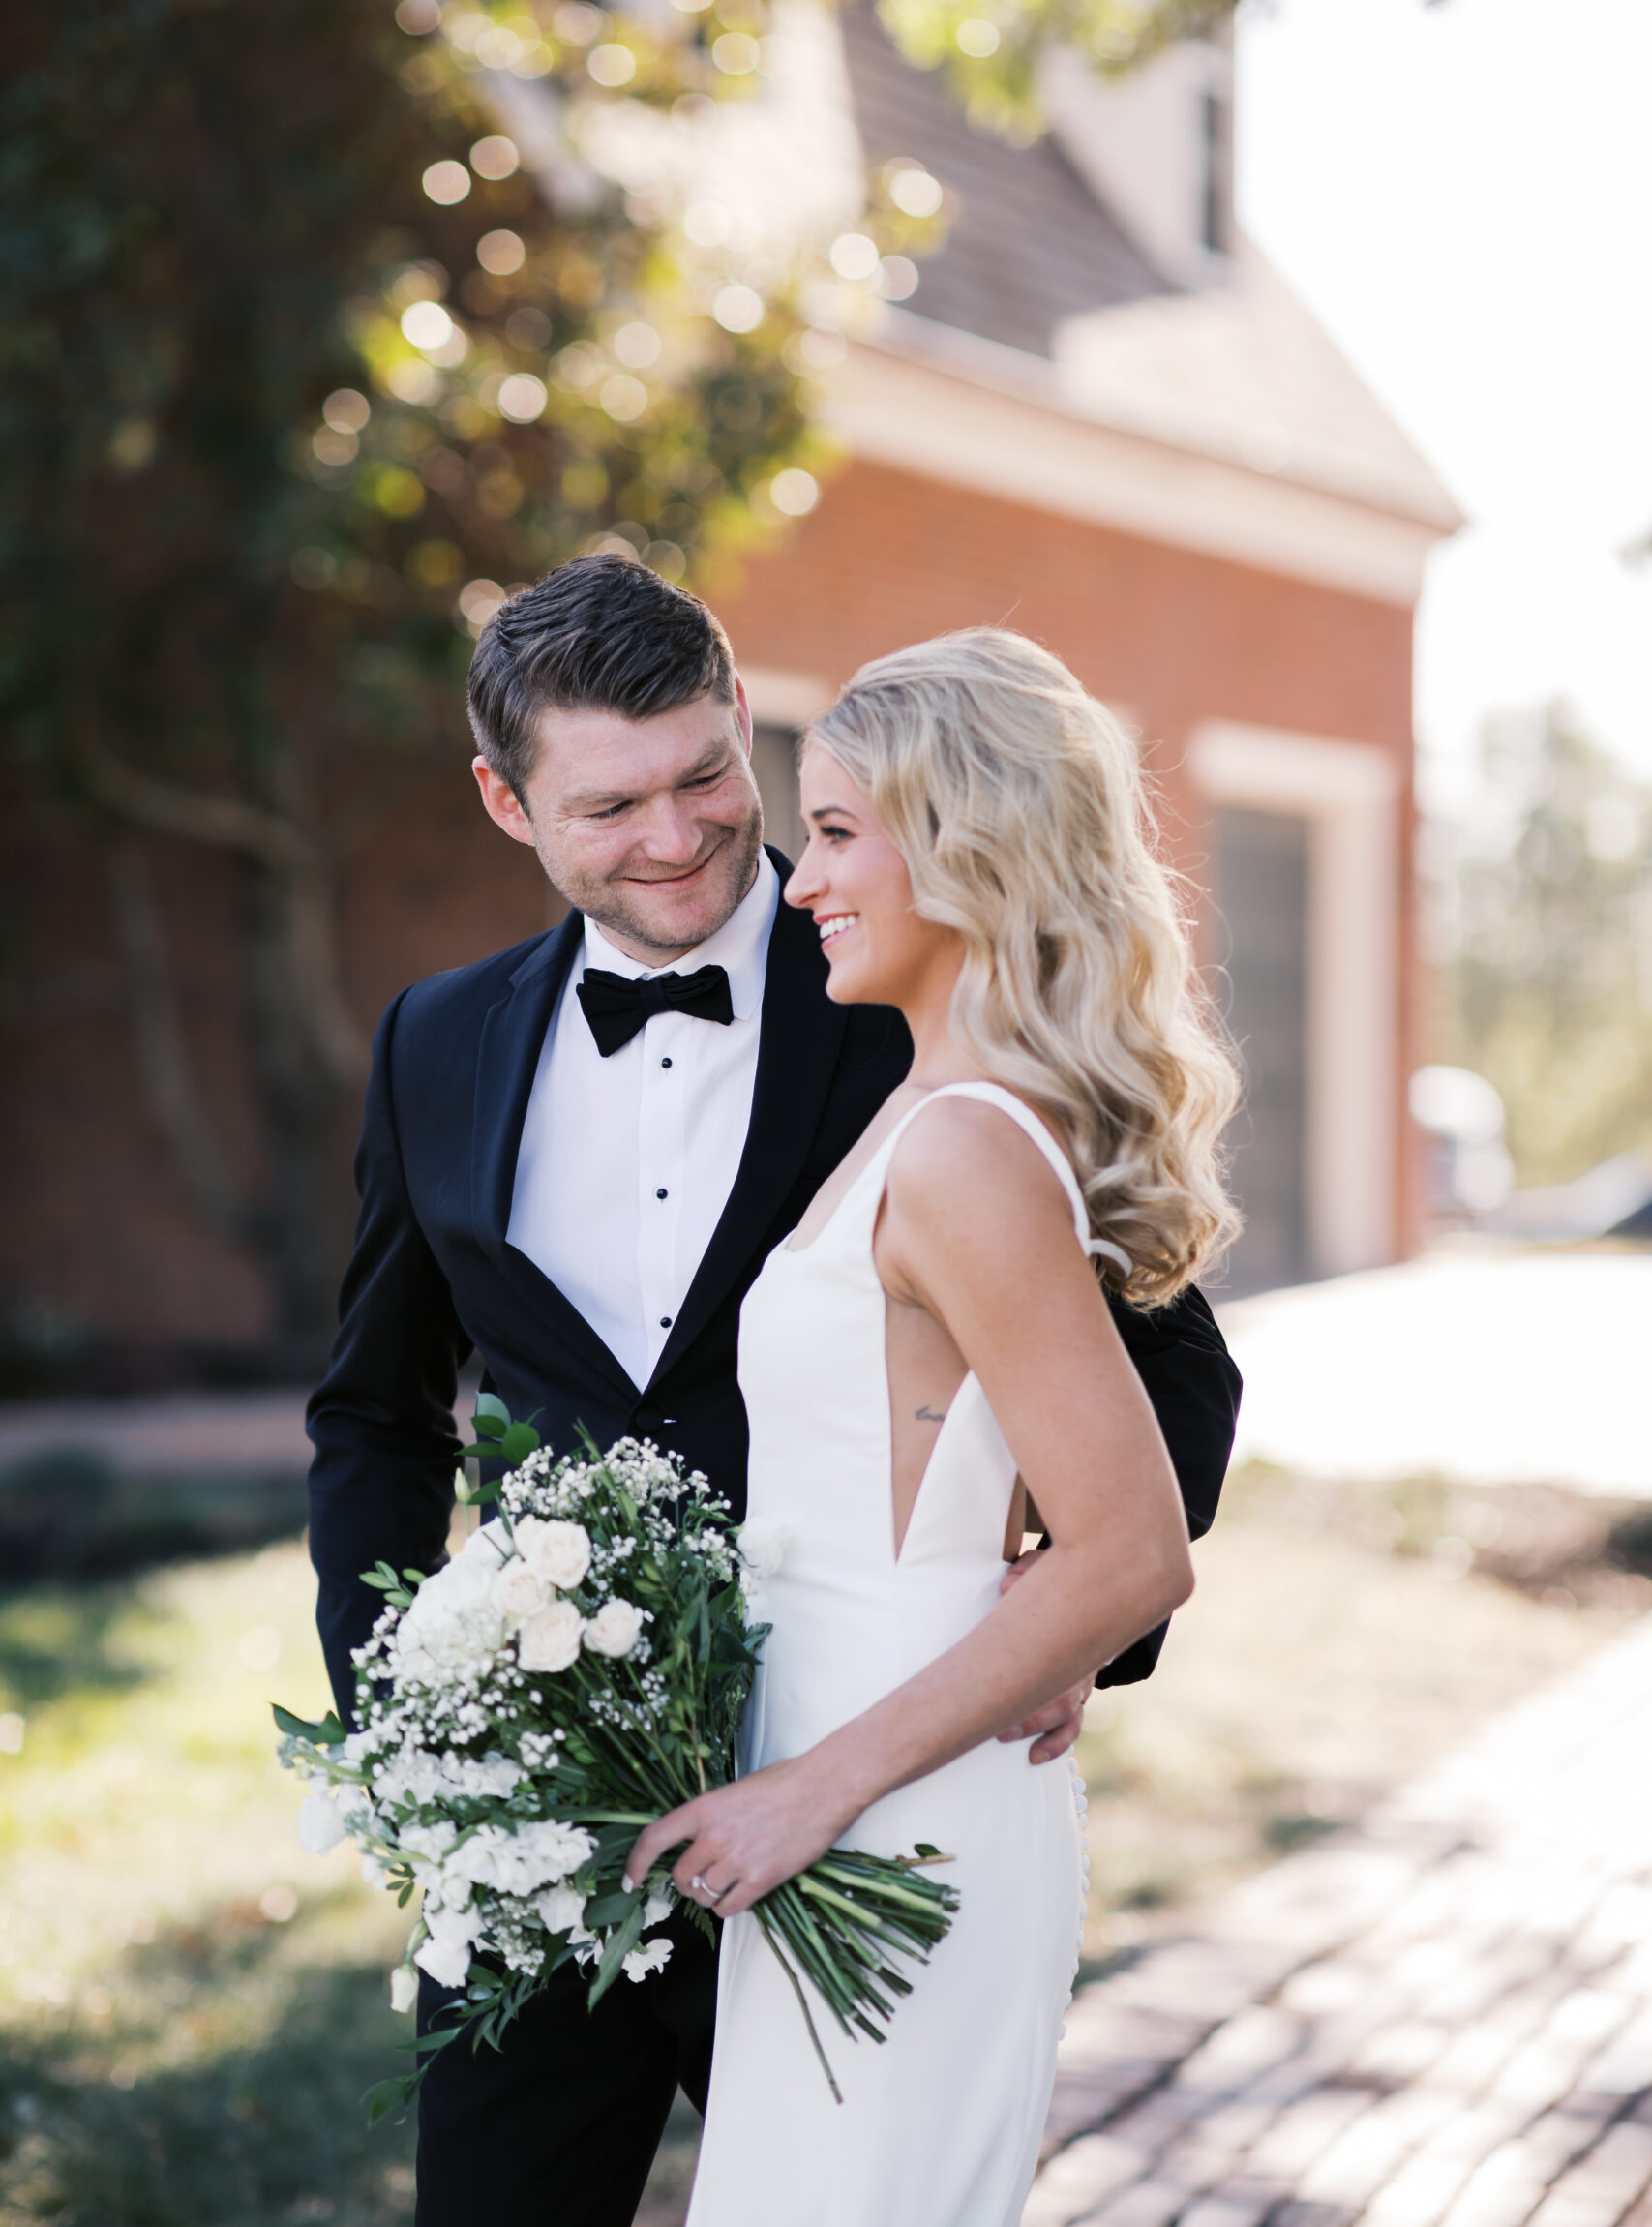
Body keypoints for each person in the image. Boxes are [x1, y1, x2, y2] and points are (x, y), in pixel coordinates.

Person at [305, 558, 1243, 2227]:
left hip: (855, 1777)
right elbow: (376, 1413)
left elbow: (1167, 1356)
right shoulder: (432, 1045)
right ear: (505, 803)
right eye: (608, 807)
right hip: (561, 1807)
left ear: (744, 722)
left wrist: (1051, 1624)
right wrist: (409, 1728)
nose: (673, 839)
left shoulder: (911, 986)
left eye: (702, 781)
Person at [626, 628, 1242, 2226]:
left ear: (966, 842)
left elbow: (1130, 1549)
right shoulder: (931, 1109)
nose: (801, 874)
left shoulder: (967, 1146)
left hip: (883, 1803)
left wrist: (811, 1791)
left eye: (835, 831)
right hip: (855, 1758)